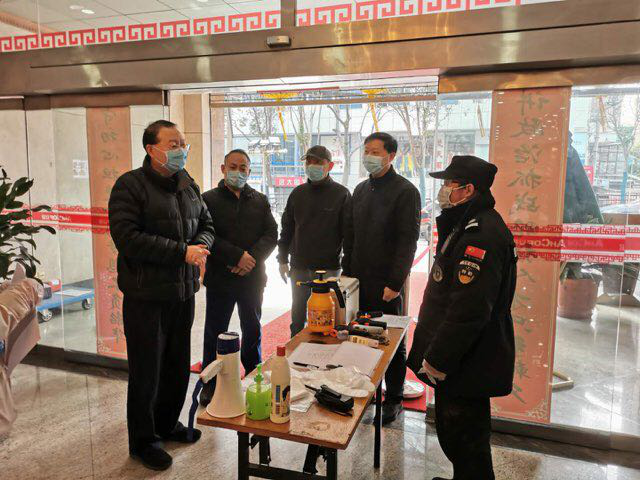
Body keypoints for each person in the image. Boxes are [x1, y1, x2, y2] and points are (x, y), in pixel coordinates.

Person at [109, 120, 215, 471]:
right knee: (147, 371)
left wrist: (201, 247)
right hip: (146, 296)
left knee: (176, 365)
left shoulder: (188, 184)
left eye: (183, 143)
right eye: (173, 144)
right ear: (151, 149)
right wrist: (182, 252)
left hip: (182, 292)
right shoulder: (130, 186)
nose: (181, 149)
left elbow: (207, 225)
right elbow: (128, 238)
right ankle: (144, 441)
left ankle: (168, 424)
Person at [406, 155, 517, 480]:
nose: (444, 190)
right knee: (457, 434)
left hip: (468, 359)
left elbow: (468, 310)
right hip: (464, 357)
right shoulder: (469, 223)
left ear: (468, 189)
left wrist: (438, 359)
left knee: (465, 438)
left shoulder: (480, 234)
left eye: (449, 184)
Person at [342, 132, 421, 425]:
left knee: (392, 341)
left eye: (375, 152)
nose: (369, 157)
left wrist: (395, 282)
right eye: (366, 151)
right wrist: (346, 272)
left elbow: (407, 241)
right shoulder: (361, 189)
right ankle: (366, 391)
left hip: (387, 283)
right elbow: (350, 235)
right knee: (361, 337)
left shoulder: (406, 191)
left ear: (391, 156)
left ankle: (394, 398)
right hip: (358, 280)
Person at [199, 149, 278, 406]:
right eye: (233, 166)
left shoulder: (259, 200)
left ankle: (253, 376)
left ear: (249, 171)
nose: (238, 172)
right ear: (223, 169)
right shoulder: (208, 199)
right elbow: (206, 234)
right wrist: (235, 257)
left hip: (251, 278)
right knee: (215, 331)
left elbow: (271, 234)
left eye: (243, 168)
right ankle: (211, 382)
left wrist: (250, 259)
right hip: (220, 277)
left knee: (252, 328)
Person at [277, 145, 351, 337]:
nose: (312, 166)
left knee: (326, 317)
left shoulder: (342, 194)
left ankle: (323, 353)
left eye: (318, 162)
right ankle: (295, 349)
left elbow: (349, 236)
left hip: (329, 268)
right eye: (308, 162)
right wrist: (282, 259)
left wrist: (348, 268)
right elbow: (287, 229)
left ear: (330, 166)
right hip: (299, 267)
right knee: (298, 316)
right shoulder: (297, 193)